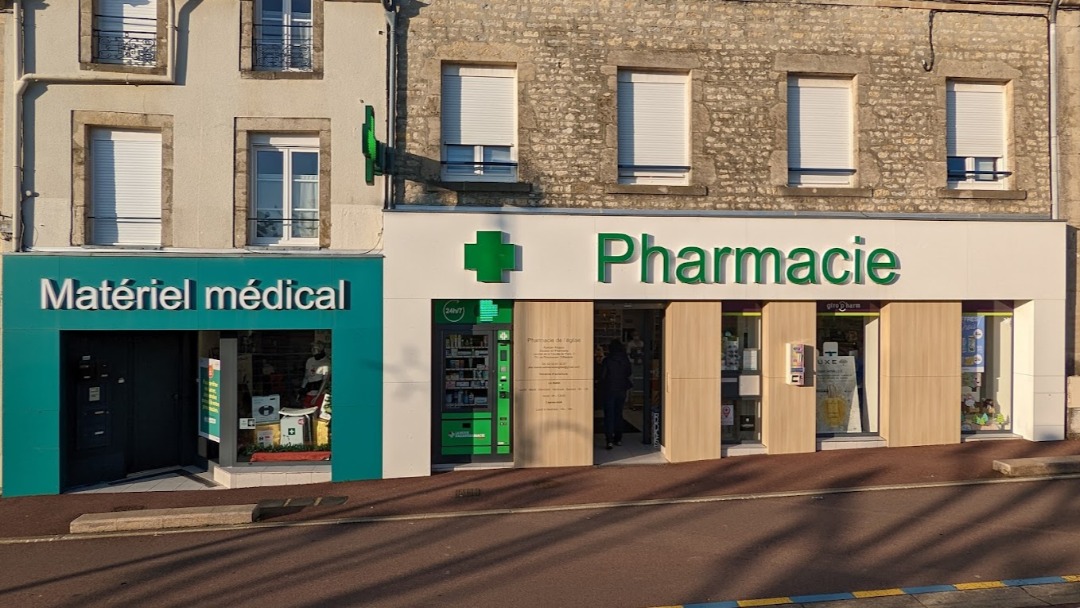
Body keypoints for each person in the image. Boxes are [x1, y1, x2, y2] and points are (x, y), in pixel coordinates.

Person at [598, 339, 633, 450]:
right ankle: (618, 439)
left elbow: (603, 376)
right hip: (622, 389)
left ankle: (609, 440)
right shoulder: (625, 360)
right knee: (618, 414)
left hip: (609, 390)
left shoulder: (608, 360)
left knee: (609, 415)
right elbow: (629, 372)